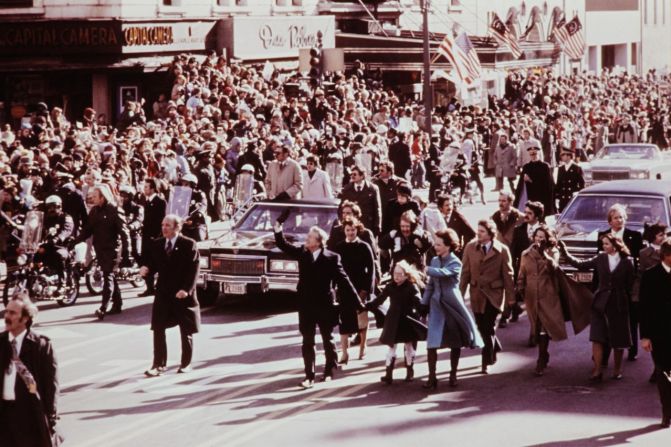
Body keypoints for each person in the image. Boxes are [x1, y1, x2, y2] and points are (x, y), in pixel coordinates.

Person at [274, 217, 364, 389]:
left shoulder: (332, 258)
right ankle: (309, 375)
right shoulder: (302, 253)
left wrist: (358, 301)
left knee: (327, 338)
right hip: (306, 305)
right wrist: (278, 229)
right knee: (307, 340)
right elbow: (284, 245)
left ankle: (329, 370)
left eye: (309, 238)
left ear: (318, 242)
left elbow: (344, 281)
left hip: (324, 304)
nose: (306, 240)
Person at [560, 234, 635, 382]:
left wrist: (631, 301)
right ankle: (597, 370)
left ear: (615, 245)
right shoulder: (600, 258)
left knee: (618, 339)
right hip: (600, 303)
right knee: (597, 337)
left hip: (619, 303)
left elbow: (631, 284)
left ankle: (617, 369)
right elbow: (580, 264)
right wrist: (564, 251)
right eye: (603, 244)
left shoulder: (627, 262)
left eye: (606, 244)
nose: (603, 247)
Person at [140, 215, 201, 377]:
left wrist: (186, 289)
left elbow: (194, 270)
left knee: (185, 329)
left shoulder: (189, 245)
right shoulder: (158, 244)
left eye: (168, 225)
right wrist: (146, 270)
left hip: (181, 293)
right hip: (164, 293)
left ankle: (186, 363)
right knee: (158, 328)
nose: (164, 228)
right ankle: (158, 364)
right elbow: (153, 265)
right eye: (163, 225)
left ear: (177, 227)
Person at [421, 229, 483, 389]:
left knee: (455, 341)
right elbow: (430, 285)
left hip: (452, 306)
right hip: (436, 306)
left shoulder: (455, 262)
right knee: (432, 342)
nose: (435, 247)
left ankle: (453, 374)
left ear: (448, 246)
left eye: (439, 244)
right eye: (435, 244)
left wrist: (427, 269)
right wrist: (423, 303)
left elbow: (445, 273)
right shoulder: (434, 260)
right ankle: (432, 377)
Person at [0, 293, 60, 446]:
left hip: (29, 417)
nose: (7, 316)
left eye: (12, 313)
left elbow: (50, 385)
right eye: (6, 311)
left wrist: (51, 417)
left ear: (25, 318)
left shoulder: (41, 346)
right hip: (3, 416)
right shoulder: (0, 342)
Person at [460, 219, 515, 374]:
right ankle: (494, 347)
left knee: (488, 326)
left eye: (482, 231)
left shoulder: (502, 250)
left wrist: (511, 298)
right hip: (477, 295)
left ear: (491, 234)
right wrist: (460, 294)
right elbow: (464, 273)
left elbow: (508, 275)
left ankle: (487, 360)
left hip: (494, 295)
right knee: (481, 327)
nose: (478, 233)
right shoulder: (470, 248)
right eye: (478, 230)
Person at [75, 184, 131, 320]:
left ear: (102, 197)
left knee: (108, 277)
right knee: (110, 276)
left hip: (113, 250)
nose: (92, 199)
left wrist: (127, 252)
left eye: (95, 196)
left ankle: (103, 308)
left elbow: (124, 232)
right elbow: (88, 230)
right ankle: (117, 304)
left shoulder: (115, 210)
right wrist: (75, 241)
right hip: (100, 249)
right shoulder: (94, 211)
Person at [517, 225, 566, 376]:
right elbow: (521, 275)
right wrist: (520, 290)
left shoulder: (553, 251)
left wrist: (545, 254)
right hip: (532, 296)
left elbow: (554, 268)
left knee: (545, 328)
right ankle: (544, 354)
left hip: (548, 296)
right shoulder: (526, 254)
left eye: (542, 237)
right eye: (537, 236)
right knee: (536, 329)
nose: (539, 239)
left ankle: (540, 359)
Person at [597, 204, 643, 362]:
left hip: (628, 284)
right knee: (607, 320)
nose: (619, 220)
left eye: (622, 217)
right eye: (616, 217)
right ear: (609, 221)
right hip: (609, 285)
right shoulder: (602, 236)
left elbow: (638, 262)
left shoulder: (634, 236)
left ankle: (632, 349)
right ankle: (604, 353)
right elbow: (599, 264)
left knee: (631, 316)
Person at [367, 260, 424, 384]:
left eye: (400, 274)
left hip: (407, 319)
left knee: (409, 346)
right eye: (395, 273)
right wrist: (366, 306)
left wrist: (424, 309)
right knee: (391, 347)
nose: (396, 276)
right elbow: (379, 300)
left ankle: (409, 371)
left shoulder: (411, 286)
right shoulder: (390, 286)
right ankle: (388, 373)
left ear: (406, 274)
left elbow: (418, 302)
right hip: (393, 319)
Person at [334, 217, 375, 363]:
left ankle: (363, 347)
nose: (350, 233)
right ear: (344, 231)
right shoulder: (339, 247)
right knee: (344, 321)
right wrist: (334, 288)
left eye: (353, 230)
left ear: (357, 230)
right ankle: (344, 352)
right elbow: (334, 269)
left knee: (362, 320)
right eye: (348, 230)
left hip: (360, 288)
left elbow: (371, 269)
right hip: (344, 288)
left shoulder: (364, 246)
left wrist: (366, 290)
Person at [639, 238, 671, 428]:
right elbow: (644, 308)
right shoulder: (651, 276)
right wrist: (645, 336)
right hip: (659, 333)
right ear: (666, 256)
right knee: (662, 372)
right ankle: (666, 412)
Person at [636, 223, 666, 383]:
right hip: (653, 294)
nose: (663, 237)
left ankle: (660, 368)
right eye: (660, 235)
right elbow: (642, 275)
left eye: (664, 235)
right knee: (655, 334)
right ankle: (658, 367)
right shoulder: (644, 253)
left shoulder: (668, 249)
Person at [139, 178, 167, 297]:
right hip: (146, 237)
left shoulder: (160, 202)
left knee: (156, 262)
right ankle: (150, 287)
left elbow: (162, 221)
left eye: (146, 187)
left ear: (152, 188)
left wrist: (158, 237)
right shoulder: (146, 201)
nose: (144, 189)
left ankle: (160, 287)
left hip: (156, 237)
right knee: (146, 261)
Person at [340, 165, 382, 236]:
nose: (352, 176)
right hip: (352, 226)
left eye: (355, 174)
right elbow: (341, 207)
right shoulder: (347, 189)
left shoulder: (373, 189)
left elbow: (377, 208)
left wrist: (378, 226)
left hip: (368, 225)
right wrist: (343, 222)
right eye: (351, 174)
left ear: (362, 176)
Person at [515, 141, 555, 215]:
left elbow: (549, 184)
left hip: (542, 196)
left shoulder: (545, 166)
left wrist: (531, 180)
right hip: (530, 196)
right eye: (531, 154)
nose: (533, 156)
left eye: (535, 154)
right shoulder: (526, 166)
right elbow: (520, 185)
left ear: (538, 154)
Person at [555, 147, 585, 212]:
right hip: (562, 199)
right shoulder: (561, 168)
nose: (561, 157)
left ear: (569, 156)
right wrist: (557, 197)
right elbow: (559, 184)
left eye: (563, 155)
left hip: (572, 198)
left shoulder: (577, 168)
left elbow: (582, 184)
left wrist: (577, 194)